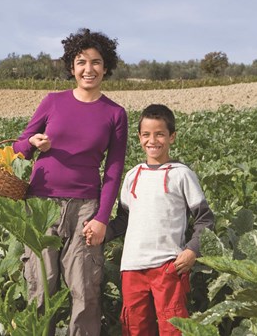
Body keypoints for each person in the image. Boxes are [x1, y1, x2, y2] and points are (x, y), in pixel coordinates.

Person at [12, 28, 128, 335]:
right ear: (71, 67)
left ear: (106, 67)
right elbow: (18, 146)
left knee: (85, 289)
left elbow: (114, 169)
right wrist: (33, 144)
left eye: (96, 62)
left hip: (86, 209)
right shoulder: (52, 102)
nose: (88, 69)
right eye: (81, 62)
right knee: (41, 286)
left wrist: (102, 217)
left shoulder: (115, 113)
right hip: (41, 204)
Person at [96, 104, 214, 335]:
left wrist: (192, 250)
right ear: (139, 137)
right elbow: (123, 219)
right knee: (135, 327)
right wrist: (103, 233)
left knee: (173, 327)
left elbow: (205, 219)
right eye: (147, 134)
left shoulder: (181, 174)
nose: (153, 140)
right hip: (132, 267)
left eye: (160, 134)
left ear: (172, 137)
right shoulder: (132, 175)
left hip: (168, 266)